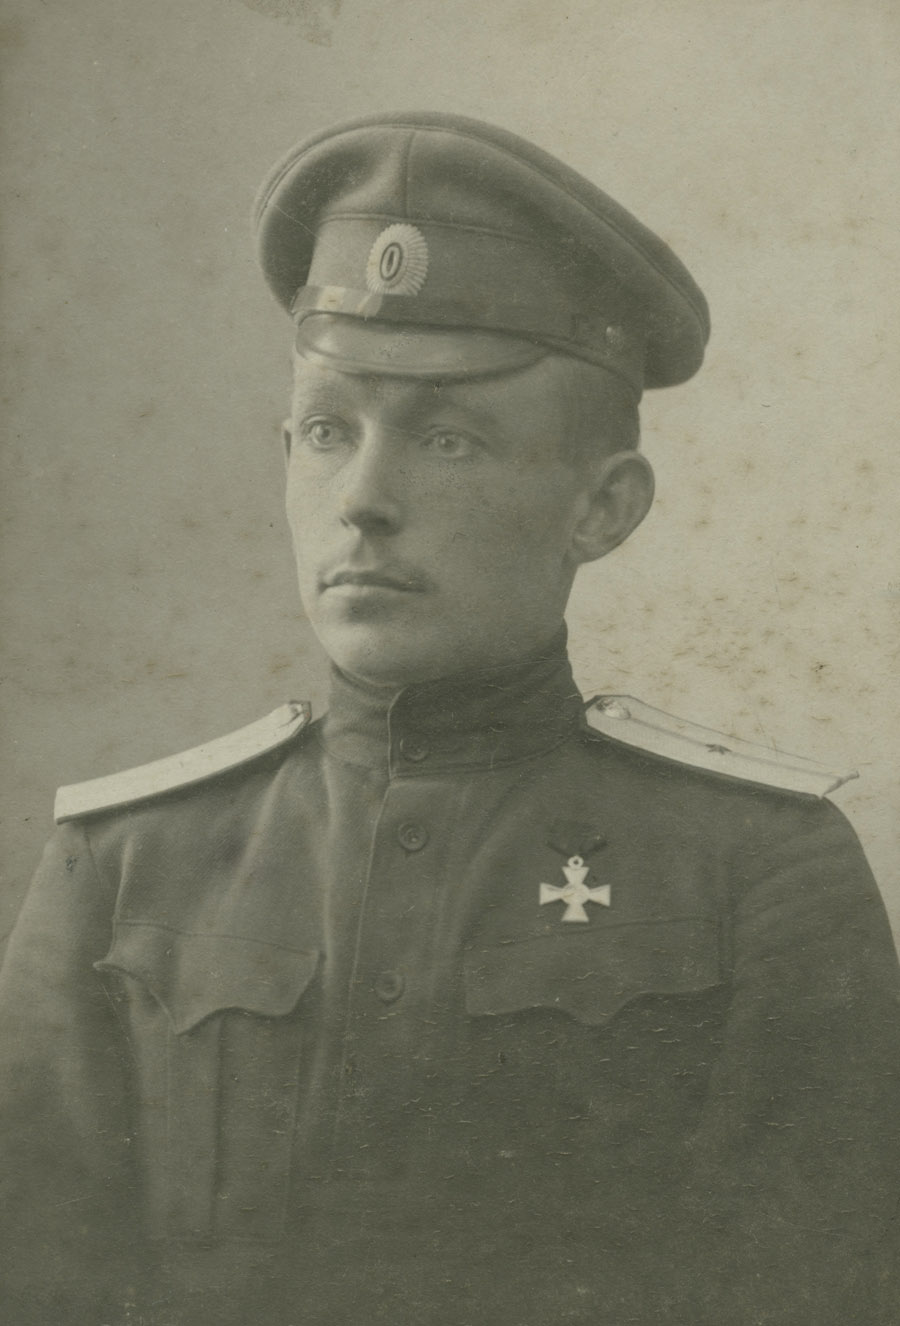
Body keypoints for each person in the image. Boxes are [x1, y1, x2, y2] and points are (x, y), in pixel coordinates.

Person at [1, 111, 898, 1326]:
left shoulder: (759, 867)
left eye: (449, 439)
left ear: (602, 508)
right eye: (329, 431)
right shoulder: (122, 862)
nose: (363, 500)